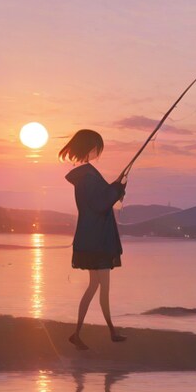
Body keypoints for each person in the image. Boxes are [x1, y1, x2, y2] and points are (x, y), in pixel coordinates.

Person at [57, 129, 127, 348]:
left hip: (91, 239)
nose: (98, 151)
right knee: (102, 287)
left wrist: (117, 187)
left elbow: (103, 198)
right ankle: (110, 331)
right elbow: (99, 204)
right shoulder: (87, 176)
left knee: (95, 286)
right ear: (89, 147)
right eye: (97, 146)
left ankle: (81, 333)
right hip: (98, 241)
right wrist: (116, 188)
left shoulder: (85, 175)